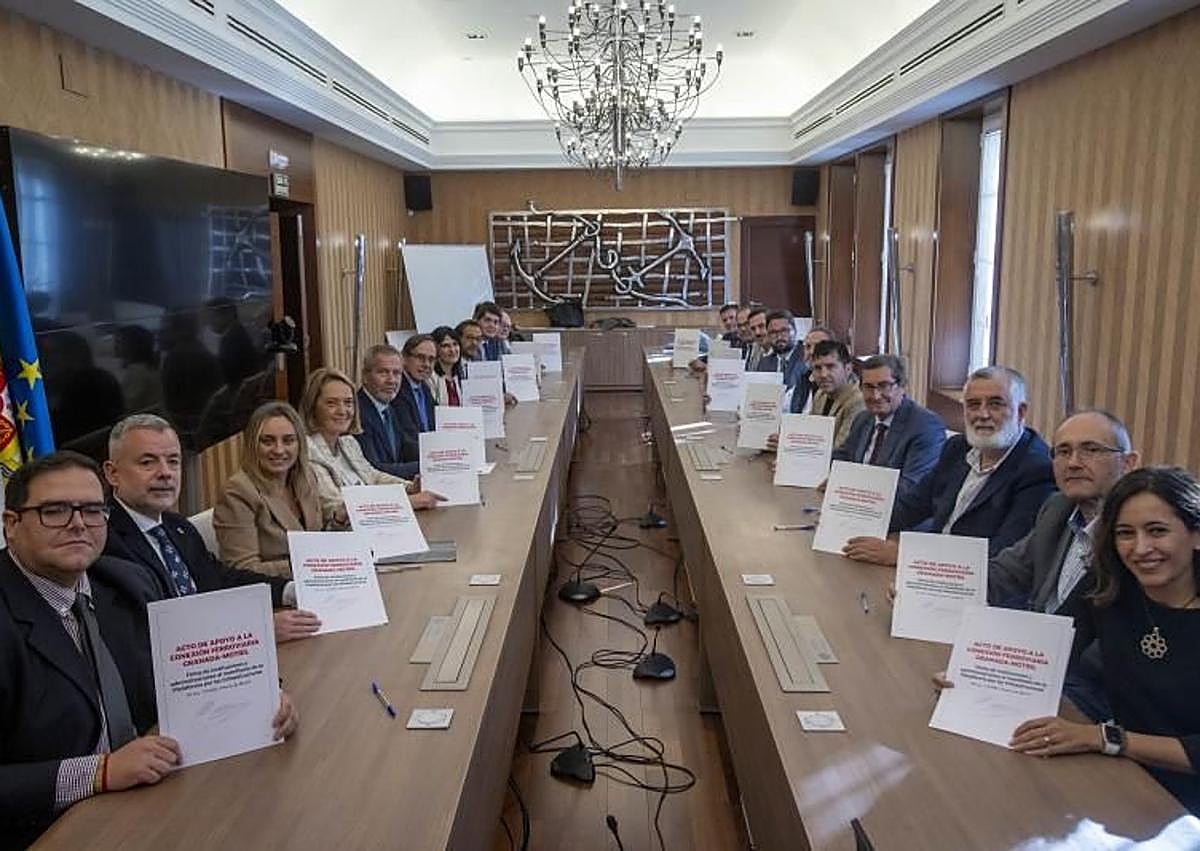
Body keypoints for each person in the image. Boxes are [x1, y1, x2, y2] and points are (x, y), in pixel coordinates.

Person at [0, 452, 298, 846]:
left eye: (91, 510)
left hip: (150, 800)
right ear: (11, 524)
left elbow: (190, 655)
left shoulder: (121, 581)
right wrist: (99, 772)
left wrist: (263, 695)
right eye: (54, 511)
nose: (77, 524)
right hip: (49, 829)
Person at [964, 467, 1200, 814]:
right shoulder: (1109, 585)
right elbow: (1051, 648)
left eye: (1157, 531)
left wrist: (1105, 738)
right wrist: (977, 672)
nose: (1140, 548)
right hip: (1121, 773)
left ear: (1196, 534)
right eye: (1125, 533)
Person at [102, 414, 321, 644]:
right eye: (148, 462)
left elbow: (221, 579)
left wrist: (288, 590)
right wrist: (254, 629)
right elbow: (153, 632)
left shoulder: (177, 526)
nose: (165, 472)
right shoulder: (104, 543)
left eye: (173, 461)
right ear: (112, 473)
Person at [987, 409, 1140, 721]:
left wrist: (1009, 683)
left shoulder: (1138, 539)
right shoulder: (1058, 508)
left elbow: (1106, 660)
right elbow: (1005, 572)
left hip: (1090, 705)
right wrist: (923, 586)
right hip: (1030, 674)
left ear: (1129, 463)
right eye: (1063, 451)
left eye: (1091, 450)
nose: (1073, 462)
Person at [844, 365, 1054, 565]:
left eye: (995, 404)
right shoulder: (958, 448)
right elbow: (912, 506)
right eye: (973, 405)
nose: (982, 414)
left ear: (1021, 411)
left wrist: (906, 556)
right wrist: (851, 524)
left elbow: (1001, 554)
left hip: (975, 589)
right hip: (929, 571)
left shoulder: (1037, 470)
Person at [301, 367, 442, 526]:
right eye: (331, 403)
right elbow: (336, 507)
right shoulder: (308, 452)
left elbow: (373, 477)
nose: (342, 411)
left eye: (348, 403)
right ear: (312, 407)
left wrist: (410, 487)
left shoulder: (348, 442)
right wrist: (409, 501)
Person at [213, 401, 325, 576]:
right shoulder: (238, 491)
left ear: (300, 443)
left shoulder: (307, 477)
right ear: (253, 445)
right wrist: (309, 565)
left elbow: (317, 540)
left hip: (316, 584)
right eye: (268, 441)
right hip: (276, 595)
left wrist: (339, 521)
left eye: (288, 440)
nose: (279, 450)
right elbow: (242, 570)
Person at [832, 354, 945, 501]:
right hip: (855, 508)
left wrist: (848, 489)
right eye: (868, 387)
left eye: (884, 386)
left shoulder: (926, 426)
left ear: (902, 386)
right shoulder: (863, 419)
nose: (876, 395)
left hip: (899, 518)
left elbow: (910, 488)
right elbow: (843, 457)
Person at [355, 344, 419, 480]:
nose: (391, 380)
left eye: (396, 373)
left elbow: (406, 448)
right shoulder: (356, 412)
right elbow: (374, 468)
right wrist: (424, 466)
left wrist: (437, 458)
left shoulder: (390, 408)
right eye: (383, 372)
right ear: (365, 376)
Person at [807, 340, 864, 448]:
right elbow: (811, 434)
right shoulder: (820, 394)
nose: (823, 374)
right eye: (818, 368)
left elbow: (840, 449)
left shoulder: (858, 401)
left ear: (848, 369)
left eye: (830, 367)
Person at [755, 310, 805, 387]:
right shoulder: (764, 363)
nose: (779, 337)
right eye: (773, 332)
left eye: (784, 331)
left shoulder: (806, 358)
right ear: (767, 335)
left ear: (794, 331)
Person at [428, 326, 466, 406]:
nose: (452, 350)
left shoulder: (461, 374)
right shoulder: (430, 377)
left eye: (455, 344)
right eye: (445, 346)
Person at [743, 307, 769, 372]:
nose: (757, 332)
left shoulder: (781, 355)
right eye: (753, 329)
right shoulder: (755, 351)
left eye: (761, 326)